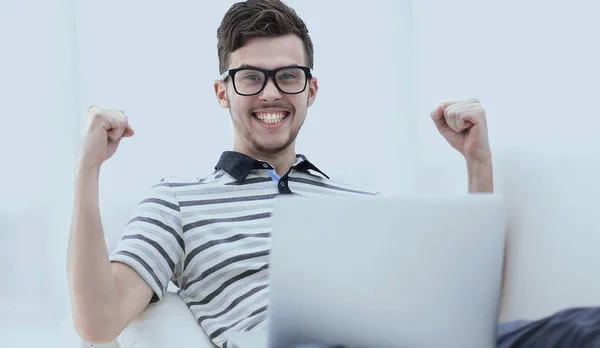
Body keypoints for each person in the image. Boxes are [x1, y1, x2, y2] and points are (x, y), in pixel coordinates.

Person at [67, 1, 600, 348]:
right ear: (222, 91)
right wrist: (87, 171)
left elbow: (460, 308)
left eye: (288, 76)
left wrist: (477, 164)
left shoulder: (360, 202)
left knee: (584, 327)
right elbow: (98, 323)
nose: (272, 92)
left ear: (311, 90)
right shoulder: (178, 202)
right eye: (251, 77)